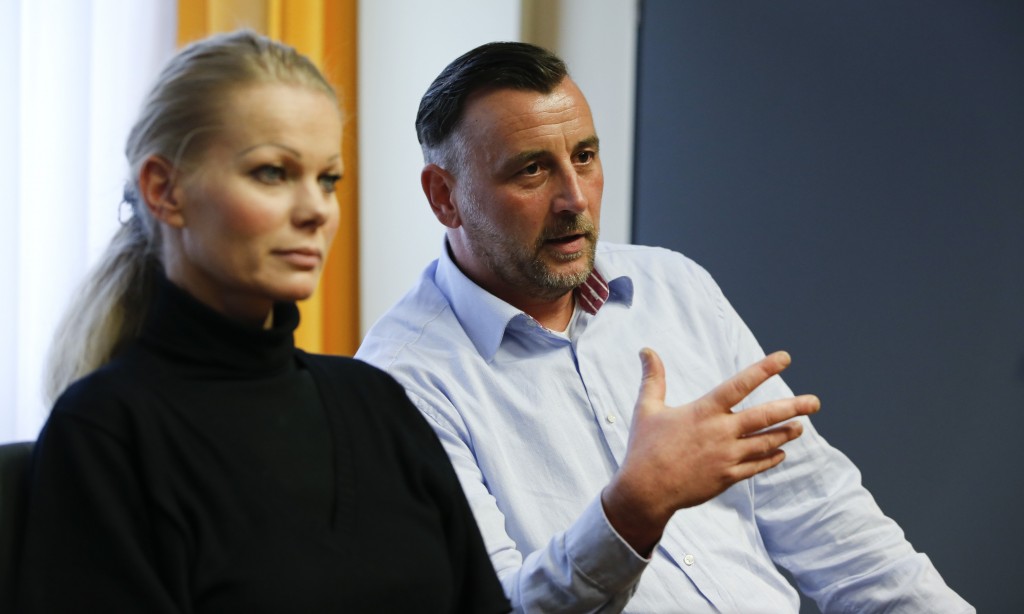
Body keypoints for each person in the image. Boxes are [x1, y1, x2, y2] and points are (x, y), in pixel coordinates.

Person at [355, 41, 974, 613]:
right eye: (532, 171)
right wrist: (629, 514)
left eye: (586, 157)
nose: (575, 199)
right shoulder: (397, 383)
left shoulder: (673, 286)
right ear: (444, 196)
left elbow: (823, 515)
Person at [16, 30, 510, 614]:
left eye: (328, 179)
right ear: (164, 190)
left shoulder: (377, 401)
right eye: (273, 173)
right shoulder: (106, 433)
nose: (315, 210)